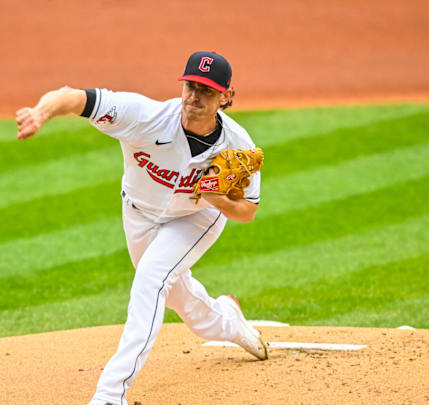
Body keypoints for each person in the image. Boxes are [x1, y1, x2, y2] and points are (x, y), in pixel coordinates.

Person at [15, 51, 267, 405]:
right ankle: (229, 321)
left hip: (195, 219)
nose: (195, 96)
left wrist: (218, 199)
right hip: (138, 214)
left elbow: (248, 211)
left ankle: (110, 394)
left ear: (226, 97)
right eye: (191, 86)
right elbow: (75, 98)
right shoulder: (144, 116)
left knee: (151, 279)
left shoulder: (237, 143)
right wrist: (41, 113)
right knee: (185, 303)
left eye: (207, 91)